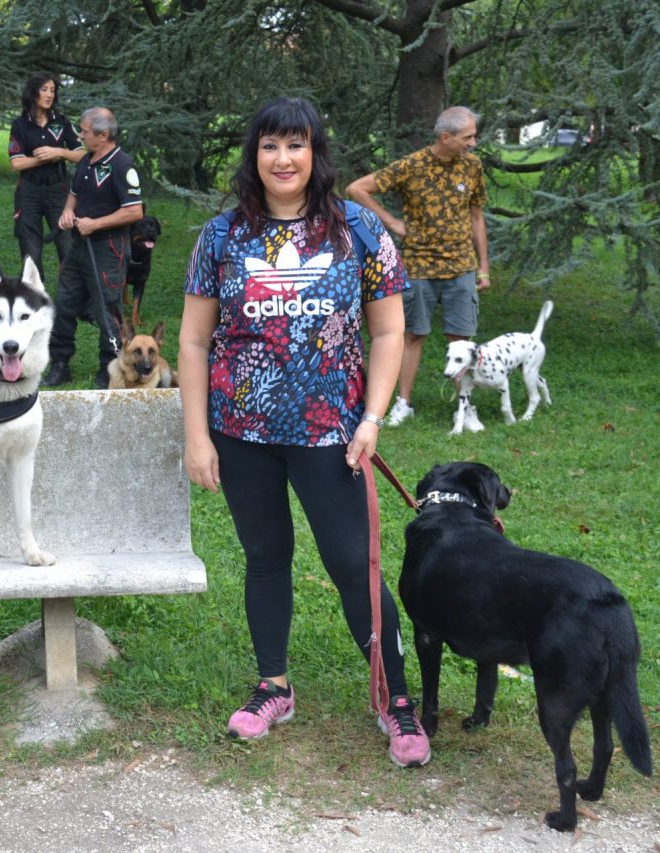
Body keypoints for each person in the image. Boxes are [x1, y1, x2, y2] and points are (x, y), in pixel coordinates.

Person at [178, 97, 431, 768]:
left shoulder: (359, 231)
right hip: (241, 430)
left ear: (316, 151)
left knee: (354, 564)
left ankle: (395, 696)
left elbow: (388, 330)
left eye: (295, 145)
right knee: (265, 557)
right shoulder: (222, 236)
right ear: (253, 156)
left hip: (333, 433)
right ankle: (273, 685)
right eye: (269, 146)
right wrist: (197, 435)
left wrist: (373, 417)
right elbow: (195, 341)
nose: (282, 159)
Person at [346, 106, 490, 428]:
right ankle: (403, 403)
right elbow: (357, 189)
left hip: (461, 268)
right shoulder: (412, 166)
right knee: (412, 335)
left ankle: (465, 409)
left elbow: (476, 216)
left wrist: (483, 267)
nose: (473, 143)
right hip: (419, 267)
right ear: (445, 137)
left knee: (461, 341)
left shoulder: (472, 167)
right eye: (468, 137)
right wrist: (393, 223)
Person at [42, 107, 143, 389]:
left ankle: (108, 367)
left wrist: (95, 224)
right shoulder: (86, 160)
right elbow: (73, 195)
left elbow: (135, 212)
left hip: (108, 248)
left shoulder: (123, 166)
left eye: (85, 131)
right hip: (78, 245)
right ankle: (60, 363)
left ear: (103, 134)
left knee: (106, 308)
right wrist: (66, 213)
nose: (80, 135)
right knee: (63, 302)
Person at [8, 72, 84, 282]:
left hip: (58, 190)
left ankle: (71, 302)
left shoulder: (61, 123)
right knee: (30, 248)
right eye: (44, 90)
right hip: (28, 191)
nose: (49, 95)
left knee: (67, 244)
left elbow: (81, 154)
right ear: (33, 93)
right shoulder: (20, 124)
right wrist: (44, 158)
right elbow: (16, 163)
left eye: (52, 90)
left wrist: (59, 152)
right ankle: (35, 301)